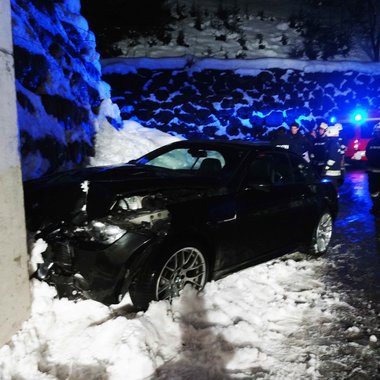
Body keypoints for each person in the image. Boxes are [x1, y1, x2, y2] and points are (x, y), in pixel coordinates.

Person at [365, 122, 380, 215]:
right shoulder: (370, 142)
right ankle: (376, 207)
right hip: (373, 171)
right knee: (374, 191)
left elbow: (368, 155)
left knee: (373, 191)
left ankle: (376, 207)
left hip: (373, 172)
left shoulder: (370, 142)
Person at [323, 123, 344, 190]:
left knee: (331, 188)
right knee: (334, 187)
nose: (326, 134)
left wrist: (326, 167)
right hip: (336, 170)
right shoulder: (336, 143)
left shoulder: (332, 144)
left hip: (331, 171)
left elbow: (332, 158)